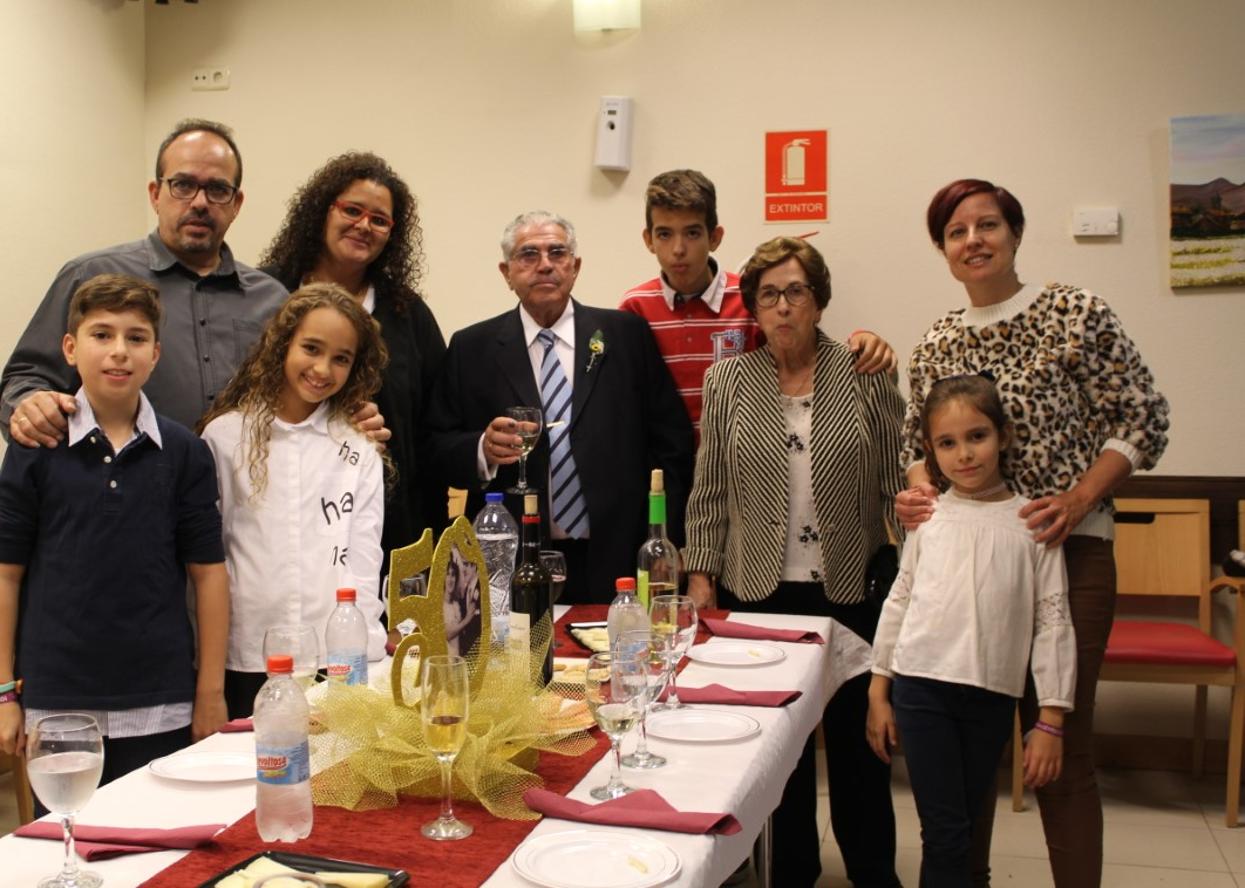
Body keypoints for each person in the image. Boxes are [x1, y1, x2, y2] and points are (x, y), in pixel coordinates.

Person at [897, 179, 1170, 887]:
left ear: (1014, 233)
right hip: (968, 568)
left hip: (1068, 553)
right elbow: (914, 447)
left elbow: (1142, 419)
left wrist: (1079, 499)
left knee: (1058, 743)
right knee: (968, 746)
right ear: (942, 249)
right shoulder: (935, 344)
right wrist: (919, 492)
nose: (973, 241)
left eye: (987, 225)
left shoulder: (1073, 313)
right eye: (956, 232)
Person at [682, 236, 905, 886]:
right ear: (753, 305)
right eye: (768, 294)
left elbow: (895, 478)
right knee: (778, 761)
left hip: (849, 588)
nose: (782, 306)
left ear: (818, 299)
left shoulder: (864, 373)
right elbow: (710, 489)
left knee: (860, 752)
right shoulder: (727, 380)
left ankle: (871, 874)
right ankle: (791, 874)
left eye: (795, 291)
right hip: (758, 592)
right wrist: (701, 577)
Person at [0, 273, 229, 787]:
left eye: (136, 337)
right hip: (56, 701)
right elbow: (6, 576)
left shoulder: (184, 452)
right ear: (70, 347)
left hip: (162, 700)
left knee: (160, 854)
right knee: (68, 851)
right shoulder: (34, 447)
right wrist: (4, 695)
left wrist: (209, 692)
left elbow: (209, 575)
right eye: (102, 335)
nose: (119, 351)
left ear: (155, 354)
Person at [867, 374, 1076, 886]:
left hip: (990, 697)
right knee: (944, 831)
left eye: (977, 436)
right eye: (947, 443)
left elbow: (1053, 621)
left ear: (1002, 436)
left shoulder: (1033, 524)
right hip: (920, 689)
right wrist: (879, 690)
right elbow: (902, 599)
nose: (964, 454)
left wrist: (1050, 719)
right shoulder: (929, 519)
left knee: (966, 825)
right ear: (930, 452)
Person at [427, 211, 694, 604]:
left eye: (557, 252)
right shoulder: (472, 348)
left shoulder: (624, 335)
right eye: (528, 255)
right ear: (506, 272)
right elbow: (436, 445)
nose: (545, 264)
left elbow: (672, 444)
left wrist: (665, 539)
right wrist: (482, 450)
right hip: (516, 558)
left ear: (575, 266)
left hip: (619, 553)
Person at [1, 119, 288, 439]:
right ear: (155, 194)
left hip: (245, 486)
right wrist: (28, 404)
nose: (199, 202)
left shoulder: (273, 301)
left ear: (236, 204)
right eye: (183, 184)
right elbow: (25, 379)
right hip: (118, 483)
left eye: (218, 189)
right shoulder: (90, 276)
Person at [198, 284, 390, 718]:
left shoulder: (357, 446)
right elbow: (211, 559)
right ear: (282, 344)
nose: (322, 368)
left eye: (341, 358)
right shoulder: (225, 438)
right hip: (247, 653)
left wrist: (363, 652)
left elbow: (363, 557)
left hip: (334, 656)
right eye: (311, 348)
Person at [260, 152, 448, 564]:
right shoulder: (266, 293)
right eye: (352, 210)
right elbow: (244, 395)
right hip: (284, 519)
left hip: (393, 529)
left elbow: (435, 427)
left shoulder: (408, 313)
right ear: (322, 211)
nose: (364, 225)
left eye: (379, 220)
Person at [619, 168, 896, 438]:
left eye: (692, 233)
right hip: (662, 465)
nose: (678, 249)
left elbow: (801, 351)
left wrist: (861, 340)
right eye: (665, 234)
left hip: (745, 456)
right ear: (648, 240)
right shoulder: (635, 307)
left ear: (715, 237)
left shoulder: (754, 297)